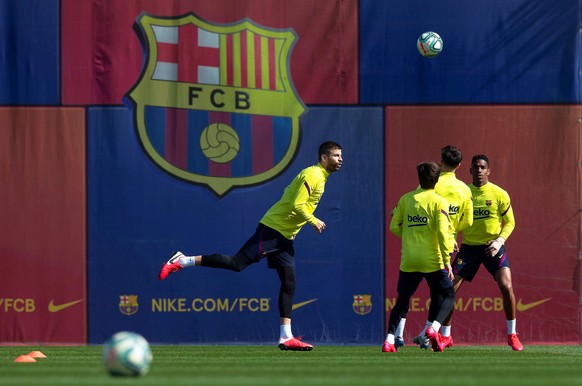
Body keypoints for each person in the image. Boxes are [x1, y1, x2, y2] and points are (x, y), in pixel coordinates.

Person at [157, 141, 343, 351]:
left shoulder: (322, 177)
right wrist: (313, 221)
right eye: (336, 155)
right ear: (323, 158)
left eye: (340, 156)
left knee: (289, 282)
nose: (340, 159)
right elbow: (296, 205)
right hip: (273, 229)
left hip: (285, 237)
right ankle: (182, 260)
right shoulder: (314, 175)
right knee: (237, 263)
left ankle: (286, 337)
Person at [442, 154, 523, 351]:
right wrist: (451, 237)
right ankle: (446, 336)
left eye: (482, 167)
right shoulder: (463, 193)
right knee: (449, 290)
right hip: (469, 247)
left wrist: (499, 241)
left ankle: (512, 334)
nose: (479, 171)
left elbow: (511, 222)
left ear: (488, 171)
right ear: (469, 170)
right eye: (475, 167)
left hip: (492, 246)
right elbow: (451, 221)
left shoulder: (499, 193)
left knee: (506, 286)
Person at [397, 145, 473, 349]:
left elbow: (414, 205)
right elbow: (469, 222)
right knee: (441, 292)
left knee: (407, 293)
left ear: (440, 162)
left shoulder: (433, 184)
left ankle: (401, 336)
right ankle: (430, 331)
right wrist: (452, 229)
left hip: (421, 244)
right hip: (446, 243)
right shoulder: (465, 189)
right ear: (459, 165)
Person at [382, 161, 455, 353]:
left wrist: (409, 238)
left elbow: (393, 226)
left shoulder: (406, 199)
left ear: (419, 179)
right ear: (436, 180)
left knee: (402, 300)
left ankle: (389, 341)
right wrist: (446, 260)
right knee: (448, 294)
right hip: (432, 260)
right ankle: (434, 329)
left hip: (409, 259)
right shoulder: (440, 202)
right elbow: (441, 232)